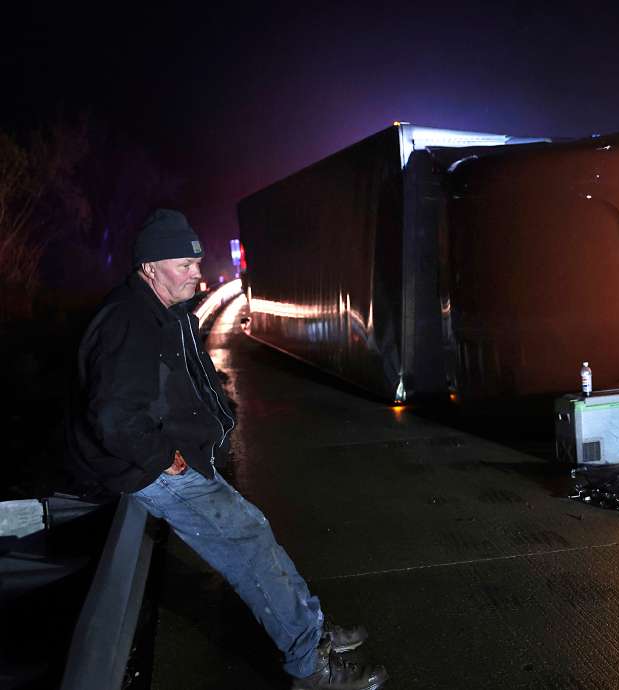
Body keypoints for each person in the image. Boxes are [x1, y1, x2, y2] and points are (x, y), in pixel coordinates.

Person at [66, 209, 387, 690]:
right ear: (149, 267)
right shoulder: (130, 322)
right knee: (247, 544)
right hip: (150, 466)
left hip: (177, 454)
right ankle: (310, 666)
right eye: (185, 264)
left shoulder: (165, 310)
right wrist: (162, 459)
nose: (197, 273)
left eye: (197, 262)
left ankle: (312, 629)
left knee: (253, 531)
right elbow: (112, 417)